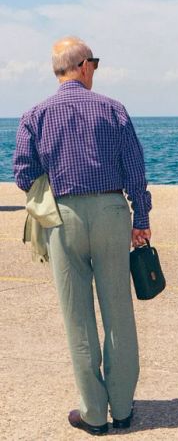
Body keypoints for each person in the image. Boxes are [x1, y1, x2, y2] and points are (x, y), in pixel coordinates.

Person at [13, 36, 151, 435]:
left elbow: (23, 172)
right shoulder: (113, 109)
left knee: (78, 318)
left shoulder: (34, 115)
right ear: (85, 66)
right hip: (111, 211)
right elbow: (135, 171)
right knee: (119, 314)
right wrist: (140, 218)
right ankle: (123, 408)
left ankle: (93, 412)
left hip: (64, 214)